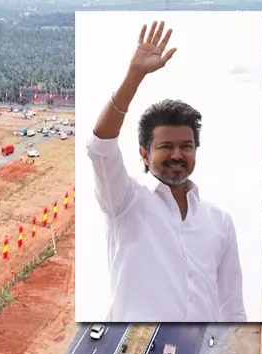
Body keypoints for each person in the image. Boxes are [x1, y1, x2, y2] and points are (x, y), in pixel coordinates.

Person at [87, 21, 247, 322]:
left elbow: (233, 307)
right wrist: (134, 75)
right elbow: (100, 147)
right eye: (165, 147)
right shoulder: (124, 202)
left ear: (196, 150)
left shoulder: (220, 221)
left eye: (186, 146)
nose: (177, 155)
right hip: (134, 345)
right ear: (144, 154)